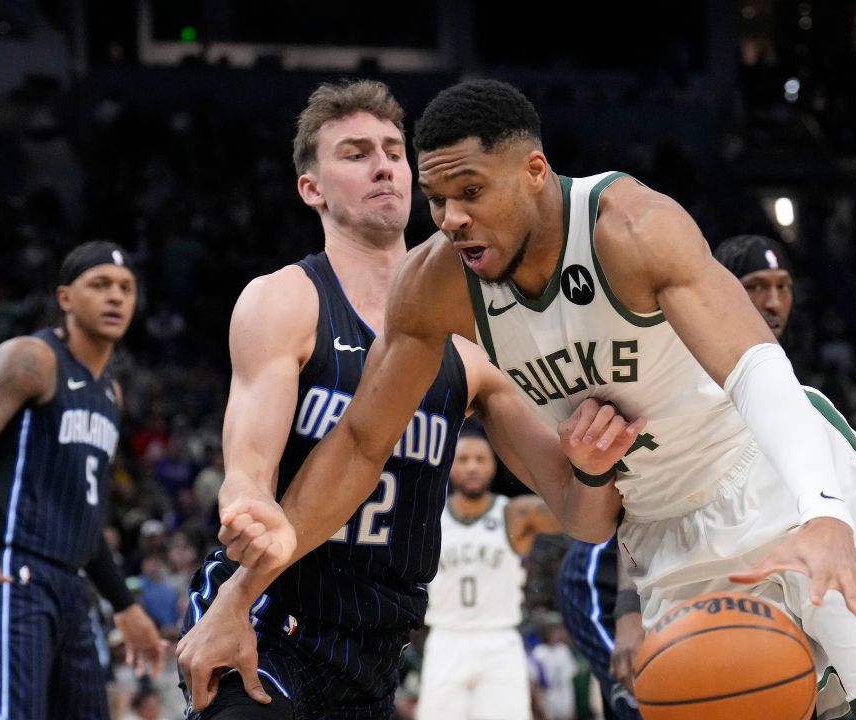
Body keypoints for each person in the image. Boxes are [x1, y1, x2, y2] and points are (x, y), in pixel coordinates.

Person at [214, 77, 856, 719]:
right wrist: (245, 587)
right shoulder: (435, 284)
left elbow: (759, 370)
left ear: (534, 172)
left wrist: (825, 512)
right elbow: (359, 443)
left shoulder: (631, 226)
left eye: (471, 192)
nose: (451, 219)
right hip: (663, 530)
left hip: (775, 482)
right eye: (440, 199)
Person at [173, 80, 640, 719]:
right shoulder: (284, 300)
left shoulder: (475, 339)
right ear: (312, 188)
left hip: (378, 641)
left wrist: (592, 466)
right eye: (356, 153)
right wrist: (245, 505)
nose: (383, 165)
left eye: (394, 151)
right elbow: (248, 472)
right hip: (268, 612)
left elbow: (584, 518)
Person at [556, 232, 796, 718]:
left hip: (691, 554)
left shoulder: (771, 372)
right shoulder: (674, 362)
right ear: (719, 288)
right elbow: (641, 499)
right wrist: (629, 614)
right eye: (756, 285)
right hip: (613, 565)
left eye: (783, 286)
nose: (773, 302)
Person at [0, 241, 167, 719]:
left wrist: (124, 605)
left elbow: (85, 518)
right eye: (100, 285)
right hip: (8, 571)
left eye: (126, 288)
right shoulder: (32, 359)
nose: (116, 297)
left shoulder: (111, 393)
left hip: (69, 589)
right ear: (65, 298)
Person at [417, 428, 562, 719]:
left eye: (480, 459)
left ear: (493, 465)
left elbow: (576, 517)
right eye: (463, 459)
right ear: (449, 465)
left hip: (499, 640)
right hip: (445, 638)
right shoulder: (428, 517)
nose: (472, 466)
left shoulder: (516, 514)